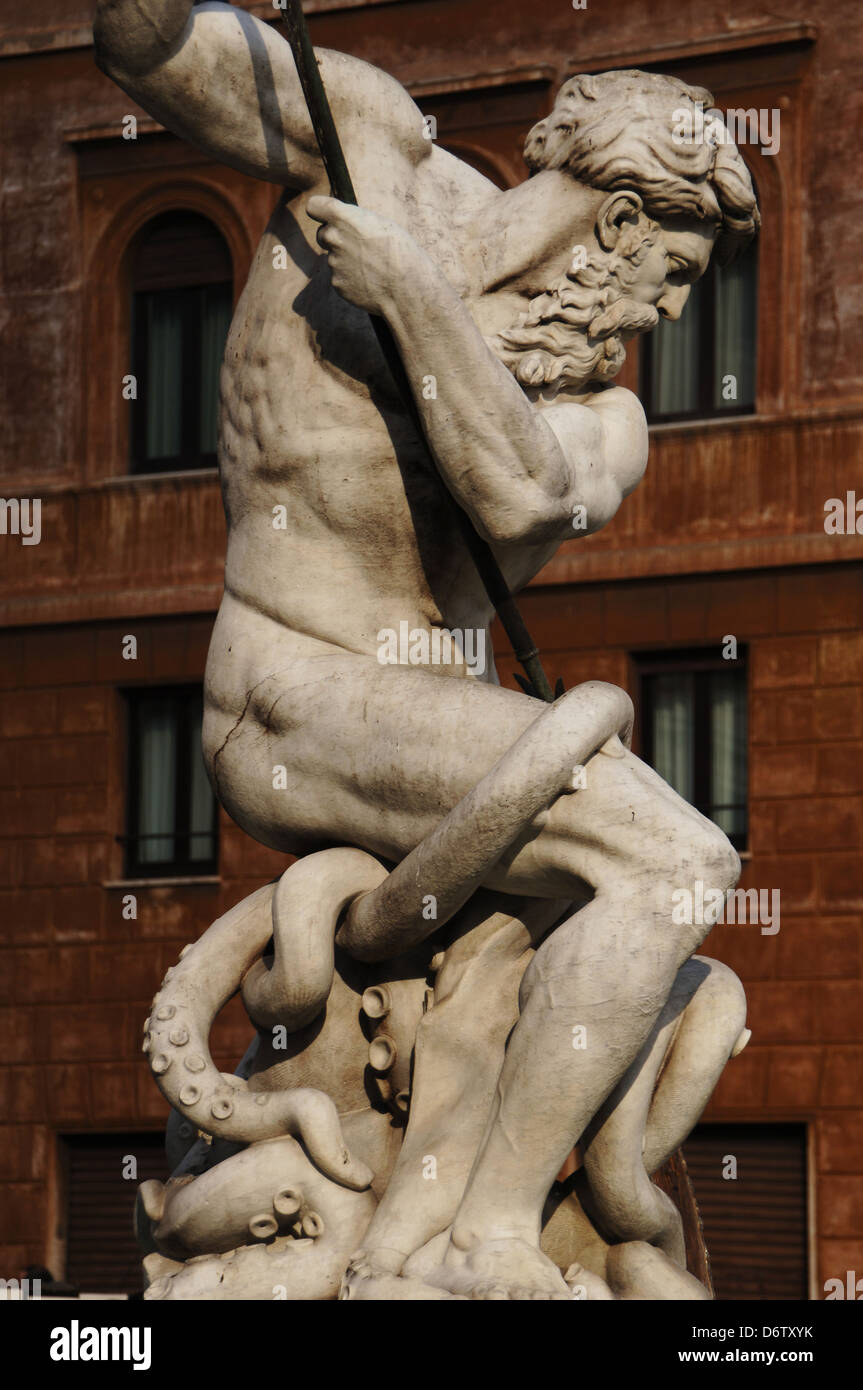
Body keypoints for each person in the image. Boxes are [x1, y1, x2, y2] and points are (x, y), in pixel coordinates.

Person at [95, 1, 758, 1297]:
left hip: (440, 735)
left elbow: (515, 492)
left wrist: (410, 294)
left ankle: (481, 1213)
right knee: (676, 852)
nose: (669, 314)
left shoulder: (607, 418)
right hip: (289, 688)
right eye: (674, 270)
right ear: (619, 221)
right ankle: (478, 1234)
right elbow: (147, 49)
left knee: (669, 875)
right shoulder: (370, 149)